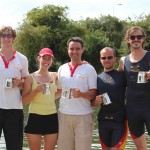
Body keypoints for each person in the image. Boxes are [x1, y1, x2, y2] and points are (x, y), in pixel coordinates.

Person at [57, 37, 97, 150]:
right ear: (68, 50)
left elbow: (93, 93)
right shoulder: (61, 68)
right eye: (72, 49)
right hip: (64, 115)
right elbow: (59, 91)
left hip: (83, 116)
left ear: (82, 50)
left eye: (77, 49)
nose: (74, 52)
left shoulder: (89, 69)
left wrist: (82, 95)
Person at [22, 48, 61, 150]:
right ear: (39, 58)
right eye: (44, 58)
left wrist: (82, 63)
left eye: (49, 59)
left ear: (52, 61)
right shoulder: (30, 78)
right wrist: (36, 91)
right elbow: (24, 101)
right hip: (34, 117)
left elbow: (70, 72)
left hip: (52, 117)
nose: (46, 61)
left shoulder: (55, 75)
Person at [118, 26, 150, 150]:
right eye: (132, 37)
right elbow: (115, 79)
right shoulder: (123, 60)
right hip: (132, 110)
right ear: (128, 39)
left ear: (143, 39)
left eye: (139, 37)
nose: (136, 39)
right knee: (141, 148)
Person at [92, 47, 128, 150]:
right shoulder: (97, 78)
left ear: (115, 59)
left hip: (119, 121)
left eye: (109, 57)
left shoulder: (122, 76)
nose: (106, 60)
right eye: (104, 58)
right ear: (100, 60)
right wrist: (95, 101)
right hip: (103, 121)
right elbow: (91, 102)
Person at [0, 26, 29, 150]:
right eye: (3, 35)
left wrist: (20, 83)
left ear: (14, 38)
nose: (6, 38)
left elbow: (26, 82)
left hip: (15, 109)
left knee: (14, 147)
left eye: (9, 35)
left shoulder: (22, 59)